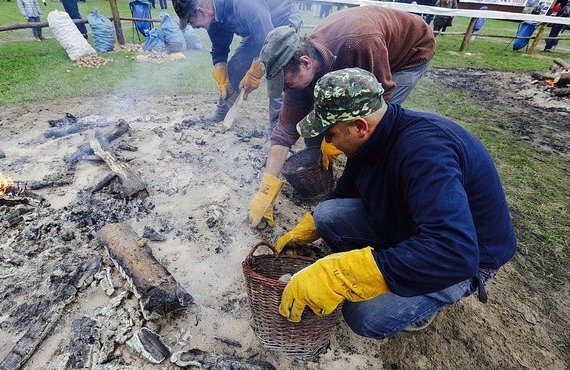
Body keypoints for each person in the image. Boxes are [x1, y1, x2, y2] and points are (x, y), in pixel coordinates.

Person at [275, 68, 517, 338]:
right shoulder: (372, 139)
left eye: (330, 134)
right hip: (415, 226)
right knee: (326, 214)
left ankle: (422, 301)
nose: (328, 142)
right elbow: (344, 193)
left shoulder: (425, 154)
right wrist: (308, 227)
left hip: (467, 258)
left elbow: (454, 251)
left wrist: (342, 273)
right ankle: (392, 263)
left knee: (363, 315)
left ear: (359, 126)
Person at [246, 6, 436, 229]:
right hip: (369, 46)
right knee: (327, 123)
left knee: (374, 131)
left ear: (305, 63)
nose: (286, 89)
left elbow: (380, 98)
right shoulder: (299, 76)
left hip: (407, 53)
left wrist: (340, 142)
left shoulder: (358, 43)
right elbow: (285, 131)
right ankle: (322, 175)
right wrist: (265, 190)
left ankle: (365, 189)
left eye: (286, 83)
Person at [172, 0, 302, 123]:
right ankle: (223, 111)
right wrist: (222, 75)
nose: (193, 26)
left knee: (276, 72)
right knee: (235, 67)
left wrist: (254, 73)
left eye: (190, 21)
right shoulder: (213, 19)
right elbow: (219, 50)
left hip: (282, 21)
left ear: (201, 12)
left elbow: (268, 41)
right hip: (256, 30)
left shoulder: (243, 4)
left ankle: (277, 127)